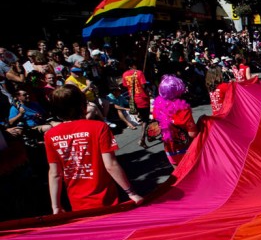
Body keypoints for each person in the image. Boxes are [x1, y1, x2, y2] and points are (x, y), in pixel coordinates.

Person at [44, 85, 144, 213]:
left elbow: (55, 173)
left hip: (76, 200)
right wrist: (131, 193)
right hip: (105, 197)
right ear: (82, 104)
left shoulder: (50, 135)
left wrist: (56, 207)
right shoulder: (99, 127)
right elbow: (111, 165)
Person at [153, 75, 199, 167]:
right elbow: (192, 134)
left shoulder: (157, 107)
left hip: (170, 149)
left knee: (178, 174)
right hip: (186, 148)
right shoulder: (184, 109)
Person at [122, 60, 150, 148]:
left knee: (142, 118)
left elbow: (125, 85)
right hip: (142, 99)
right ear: (133, 65)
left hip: (133, 99)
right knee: (145, 120)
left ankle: (146, 135)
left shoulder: (125, 74)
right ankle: (142, 139)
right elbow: (144, 86)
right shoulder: (139, 73)